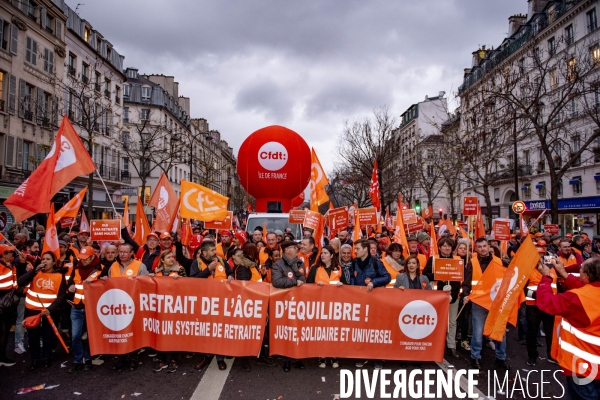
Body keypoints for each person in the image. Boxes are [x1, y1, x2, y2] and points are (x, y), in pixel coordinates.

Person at [536, 257, 600, 399]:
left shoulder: (576, 298)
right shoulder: (586, 294)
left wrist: (546, 278)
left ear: (586, 275)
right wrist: (563, 273)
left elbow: (546, 303)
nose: (579, 271)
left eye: (580, 269)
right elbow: (586, 288)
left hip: (584, 368)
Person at [462, 238, 510, 370]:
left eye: (484, 246)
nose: (483, 249)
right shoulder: (472, 262)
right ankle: (475, 357)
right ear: (476, 249)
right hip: (479, 303)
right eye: (480, 247)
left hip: (496, 303)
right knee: (477, 333)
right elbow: (467, 282)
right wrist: (466, 295)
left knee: (499, 332)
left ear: (489, 247)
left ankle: (501, 358)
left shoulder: (499, 261)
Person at [104, 243, 149, 371]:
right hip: (117, 306)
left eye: (125, 252)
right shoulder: (113, 266)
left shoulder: (140, 266)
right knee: (119, 333)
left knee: (132, 333)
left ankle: (133, 359)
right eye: (120, 252)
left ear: (131, 253)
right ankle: (120, 358)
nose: (122, 254)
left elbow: (145, 286)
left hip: (132, 305)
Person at [18, 251, 67, 370]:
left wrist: (51, 309)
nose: (45, 261)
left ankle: (46, 358)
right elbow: (19, 283)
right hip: (32, 312)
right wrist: (33, 271)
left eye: (48, 259)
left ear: (54, 262)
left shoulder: (59, 276)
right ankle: (34, 360)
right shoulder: (35, 273)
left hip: (49, 313)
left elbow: (61, 296)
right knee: (33, 337)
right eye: (43, 259)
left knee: (48, 337)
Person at [189, 241, 231, 371]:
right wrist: (208, 270)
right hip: (203, 303)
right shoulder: (196, 263)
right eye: (212, 250)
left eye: (215, 249)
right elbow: (193, 281)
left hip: (220, 302)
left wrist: (230, 276)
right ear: (204, 252)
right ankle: (206, 357)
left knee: (219, 331)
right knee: (206, 332)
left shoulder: (221, 260)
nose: (215, 252)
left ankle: (220, 359)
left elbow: (230, 271)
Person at [351, 239, 391, 369]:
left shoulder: (375, 262)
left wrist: (374, 282)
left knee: (375, 329)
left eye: (357, 248)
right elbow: (352, 278)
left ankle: (377, 357)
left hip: (374, 302)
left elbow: (387, 277)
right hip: (359, 301)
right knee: (361, 329)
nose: (355, 251)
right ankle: (362, 355)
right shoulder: (354, 263)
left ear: (365, 249)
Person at [271, 240, 307, 372]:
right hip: (284, 303)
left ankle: (297, 358)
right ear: (286, 250)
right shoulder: (278, 265)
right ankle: (286, 360)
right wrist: (293, 282)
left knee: (297, 330)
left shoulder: (299, 262)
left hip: (298, 302)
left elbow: (303, 279)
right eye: (293, 247)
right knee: (286, 331)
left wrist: (298, 275)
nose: (297, 249)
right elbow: (276, 281)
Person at [307, 245, 344, 369]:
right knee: (321, 331)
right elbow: (307, 286)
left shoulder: (338, 269)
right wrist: (316, 286)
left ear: (332, 255)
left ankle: (334, 356)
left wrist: (341, 285)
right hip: (320, 306)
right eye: (321, 253)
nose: (322, 255)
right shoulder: (315, 268)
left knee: (334, 332)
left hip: (335, 306)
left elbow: (347, 287)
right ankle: (321, 356)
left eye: (326, 253)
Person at [422, 238, 460, 358]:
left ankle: (450, 346)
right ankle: (436, 345)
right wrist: (439, 275)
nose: (447, 248)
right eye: (444, 246)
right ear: (439, 248)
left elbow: (460, 276)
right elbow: (425, 275)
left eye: (449, 246)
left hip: (453, 295)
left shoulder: (457, 260)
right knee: (436, 321)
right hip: (437, 296)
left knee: (452, 322)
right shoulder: (433, 259)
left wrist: (454, 293)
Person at [67, 246, 102, 372]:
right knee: (75, 336)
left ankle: (88, 360)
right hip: (77, 306)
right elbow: (70, 282)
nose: (83, 261)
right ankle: (77, 361)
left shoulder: (100, 269)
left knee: (89, 336)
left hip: (92, 308)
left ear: (93, 257)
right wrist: (70, 287)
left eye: (86, 259)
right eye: (81, 258)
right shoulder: (77, 268)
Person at [151, 250, 185, 373]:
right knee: (160, 334)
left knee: (172, 334)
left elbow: (188, 286)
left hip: (174, 308)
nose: (171, 259)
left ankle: (173, 359)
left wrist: (180, 280)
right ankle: (163, 358)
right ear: (162, 260)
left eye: (172, 257)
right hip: (160, 309)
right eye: (168, 257)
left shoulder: (180, 269)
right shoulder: (156, 272)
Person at [523, 245, 557, 367]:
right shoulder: (528, 270)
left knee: (550, 332)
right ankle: (532, 356)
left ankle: (551, 355)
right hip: (533, 306)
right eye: (538, 256)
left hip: (550, 305)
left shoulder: (552, 269)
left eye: (542, 255)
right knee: (532, 332)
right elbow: (523, 289)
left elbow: (557, 286)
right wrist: (538, 295)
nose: (541, 258)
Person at [0, 244, 18, 366]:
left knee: (4, 332)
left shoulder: (10, 266)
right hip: (2, 305)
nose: (12, 254)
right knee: (2, 331)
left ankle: (2, 356)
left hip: (7, 304)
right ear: (3, 255)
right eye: (9, 252)